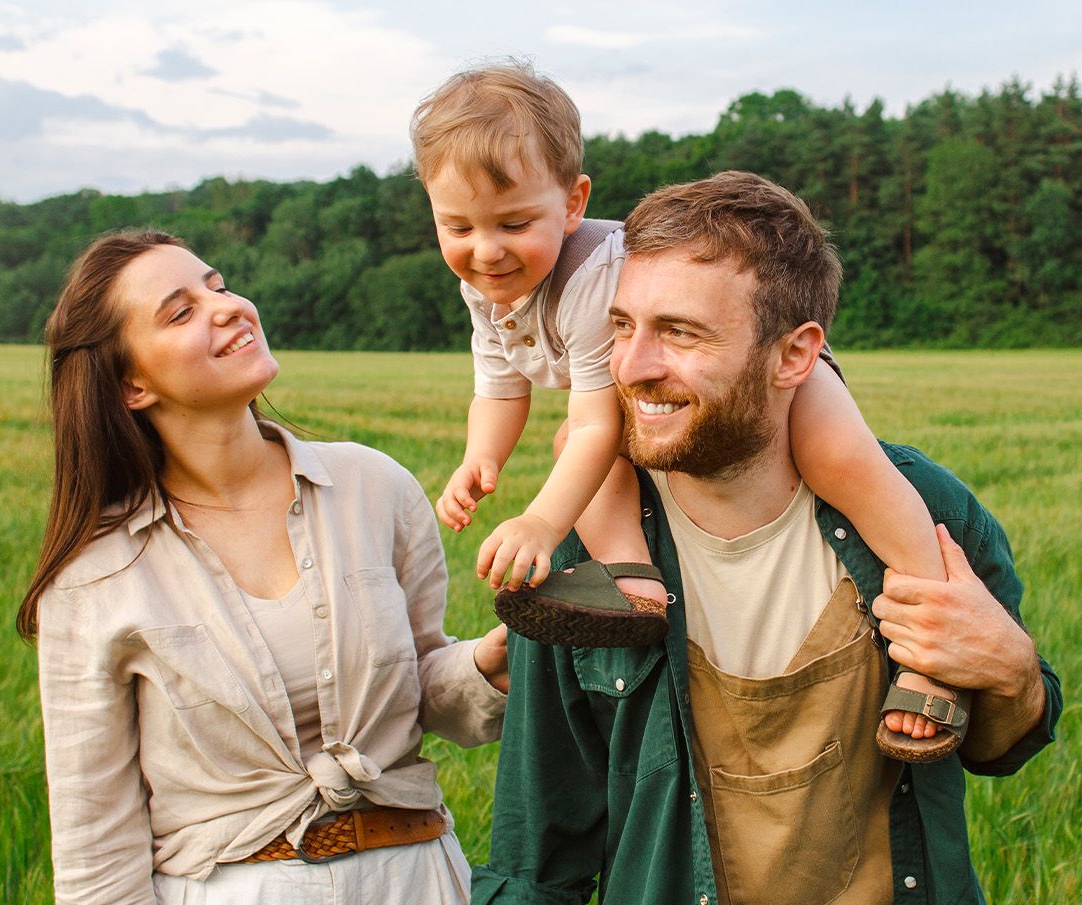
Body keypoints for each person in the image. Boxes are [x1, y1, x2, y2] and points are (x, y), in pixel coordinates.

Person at [472, 173, 1065, 905]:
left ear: (797, 355)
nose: (631, 368)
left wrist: (1012, 672)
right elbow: (537, 832)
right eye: (623, 326)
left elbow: (1004, 742)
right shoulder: (585, 571)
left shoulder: (921, 514)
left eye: (681, 332)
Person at [16, 230, 509, 905]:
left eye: (218, 285)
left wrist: (496, 661)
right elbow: (96, 856)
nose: (227, 307)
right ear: (131, 383)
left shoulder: (373, 486)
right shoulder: (96, 579)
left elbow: (425, 684)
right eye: (181, 311)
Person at [412, 62, 969, 760]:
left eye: (513, 222)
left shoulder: (586, 282)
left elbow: (594, 423)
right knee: (573, 448)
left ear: (574, 203)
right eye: (456, 226)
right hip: (646, 387)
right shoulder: (488, 280)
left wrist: (540, 522)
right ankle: (635, 582)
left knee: (846, 464)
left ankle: (936, 641)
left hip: (771, 369)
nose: (485, 249)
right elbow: (498, 384)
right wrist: (481, 457)